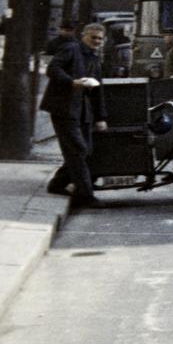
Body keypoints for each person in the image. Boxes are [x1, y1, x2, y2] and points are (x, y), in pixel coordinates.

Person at [41, 22, 108, 208]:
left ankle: (57, 184)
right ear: (83, 36)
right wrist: (72, 82)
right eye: (93, 37)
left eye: (100, 39)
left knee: (85, 150)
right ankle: (85, 195)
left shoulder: (94, 59)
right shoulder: (71, 49)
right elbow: (52, 69)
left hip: (82, 112)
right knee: (78, 150)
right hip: (64, 109)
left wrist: (101, 117)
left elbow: (98, 90)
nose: (96, 41)